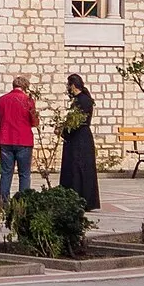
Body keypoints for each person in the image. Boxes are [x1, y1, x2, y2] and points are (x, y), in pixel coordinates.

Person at [0, 75, 38, 202]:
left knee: (6, 172)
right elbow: (34, 121)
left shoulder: (2, 99)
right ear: (25, 87)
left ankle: (4, 201)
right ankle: (23, 201)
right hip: (23, 140)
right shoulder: (28, 100)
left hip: (5, 139)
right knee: (24, 174)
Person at [58, 73, 100, 211]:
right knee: (81, 169)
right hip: (82, 137)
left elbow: (77, 122)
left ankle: (78, 199)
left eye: (69, 85)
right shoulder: (84, 99)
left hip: (78, 138)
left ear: (73, 85)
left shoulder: (81, 101)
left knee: (77, 169)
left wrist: (63, 131)